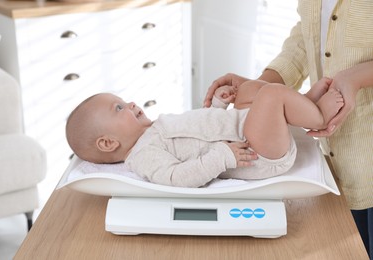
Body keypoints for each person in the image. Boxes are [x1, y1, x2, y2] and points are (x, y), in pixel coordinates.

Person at [203, 1, 373, 257]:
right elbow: (307, 37)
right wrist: (258, 89)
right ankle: (310, 108)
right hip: (335, 161)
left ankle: (313, 110)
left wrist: (357, 77)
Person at [66, 78, 343, 188]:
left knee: (248, 89)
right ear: (108, 142)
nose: (131, 104)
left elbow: (199, 129)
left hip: (241, 129)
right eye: (119, 108)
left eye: (124, 101)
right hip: (255, 153)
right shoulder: (142, 156)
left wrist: (220, 105)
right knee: (270, 94)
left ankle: (300, 103)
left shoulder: (152, 130)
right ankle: (318, 115)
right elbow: (177, 177)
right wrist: (222, 157)